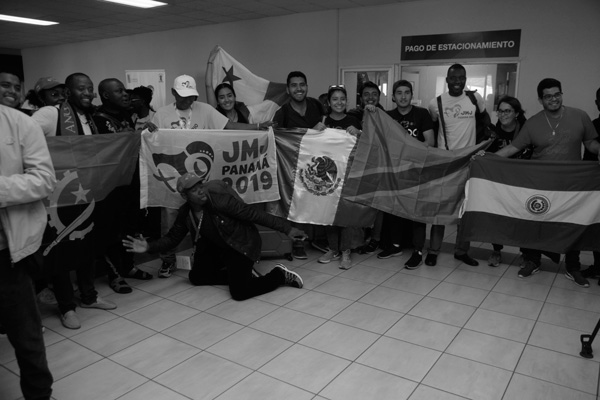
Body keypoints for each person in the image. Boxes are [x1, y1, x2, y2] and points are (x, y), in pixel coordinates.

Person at [153, 74, 270, 279]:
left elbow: (229, 127)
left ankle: (208, 255)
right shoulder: (161, 114)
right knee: (170, 217)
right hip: (172, 179)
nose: (188, 100)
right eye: (183, 96)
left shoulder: (205, 110)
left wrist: (259, 128)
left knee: (208, 217)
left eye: (191, 96)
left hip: (200, 180)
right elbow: (151, 139)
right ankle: (168, 260)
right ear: (173, 93)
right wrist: (147, 130)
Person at [123, 173, 305, 300]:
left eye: (200, 185)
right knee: (196, 277)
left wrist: (287, 229)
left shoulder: (220, 201)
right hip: (216, 246)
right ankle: (242, 275)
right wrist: (149, 247)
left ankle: (279, 275)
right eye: (194, 190)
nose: (201, 190)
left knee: (240, 292)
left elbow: (254, 215)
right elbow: (172, 238)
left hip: (239, 244)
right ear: (184, 196)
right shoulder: (185, 213)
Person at [495, 78, 600, 286]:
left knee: (572, 225)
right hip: (540, 184)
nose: (554, 99)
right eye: (548, 96)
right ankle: (533, 261)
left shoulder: (580, 116)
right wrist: (485, 158)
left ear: (561, 94)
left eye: (557, 94)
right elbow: (512, 148)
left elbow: (590, 143)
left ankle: (573, 267)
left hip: (571, 185)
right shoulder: (533, 122)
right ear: (540, 100)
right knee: (536, 224)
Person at [32, 73, 117, 329]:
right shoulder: (51, 114)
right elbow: (26, 137)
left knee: (86, 245)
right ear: (68, 93)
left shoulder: (89, 116)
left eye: (90, 88)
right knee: (62, 251)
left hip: (86, 191)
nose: (88, 93)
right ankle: (67, 306)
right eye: (82, 89)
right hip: (59, 196)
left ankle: (89, 296)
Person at [0, 103, 56, 400]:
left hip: (8, 253)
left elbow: (44, 180)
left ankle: (39, 395)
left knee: (26, 336)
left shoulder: (19, 123)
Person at [92, 78, 153, 294]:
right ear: (106, 95)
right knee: (112, 231)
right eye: (119, 91)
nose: (125, 94)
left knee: (131, 227)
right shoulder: (97, 119)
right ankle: (114, 275)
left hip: (131, 181)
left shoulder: (126, 114)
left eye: (125, 90)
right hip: (110, 186)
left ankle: (128, 266)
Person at [427, 64, 483, 267]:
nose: (458, 81)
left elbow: (483, 122)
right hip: (446, 163)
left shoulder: (475, 98)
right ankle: (433, 251)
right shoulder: (436, 103)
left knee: (466, 209)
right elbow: (434, 126)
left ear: (465, 78)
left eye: (462, 77)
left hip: (470, 162)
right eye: (454, 78)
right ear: (447, 80)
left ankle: (461, 251)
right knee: (440, 209)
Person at [272, 71, 327, 259]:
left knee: (319, 198)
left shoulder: (316, 105)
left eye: (302, 84)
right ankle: (298, 242)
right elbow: (277, 138)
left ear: (307, 86)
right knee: (298, 203)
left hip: (317, 163)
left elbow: (326, 129)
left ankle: (319, 238)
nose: (299, 88)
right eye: (294, 85)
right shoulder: (283, 112)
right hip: (294, 166)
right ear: (288, 89)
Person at [386, 80, 436, 269]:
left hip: (417, 170)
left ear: (412, 95)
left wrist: (409, 152)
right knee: (394, 209)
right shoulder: (388, 116)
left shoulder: (421, 114)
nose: (403, 96)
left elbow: (430, 142)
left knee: (417, 212)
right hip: (395, 171)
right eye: (399, 93)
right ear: (393, 96)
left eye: (407, 92)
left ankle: (417, 251)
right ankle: (396, 246)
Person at [318, 85, 363, 269]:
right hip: (328, 176)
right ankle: (333, 249)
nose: (339, 102)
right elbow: (312, 145)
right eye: (335, 99)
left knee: (345, 214)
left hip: (348, 175)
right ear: (329, 102)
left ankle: (346, 251)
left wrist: (359, 133)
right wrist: (315, 130)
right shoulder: (323, 120)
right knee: (328, 214)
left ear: (347, 101)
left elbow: (365, 146)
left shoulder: (353, 120)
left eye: (342, 99)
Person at [485, 96, 529, 267]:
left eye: (508, 111)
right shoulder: (491, 133)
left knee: (523, 218)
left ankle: (526, 254)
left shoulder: (526, 131)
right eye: (500, 111)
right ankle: (496, 251)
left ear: (516, 113)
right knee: (497, 218)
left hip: (522, 183)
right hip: (499, 183)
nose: (503, 114)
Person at [347, 81, 385, 255]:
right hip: (356, 166)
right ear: (361, 98)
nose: (370, 97)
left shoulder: (385, 116)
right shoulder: (352, 115)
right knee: (358, 203)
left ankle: (375, 239)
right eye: (366, 94)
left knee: (377, 205)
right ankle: (358, 239)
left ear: (379, 96)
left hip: (378, 165)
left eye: (374, 94)